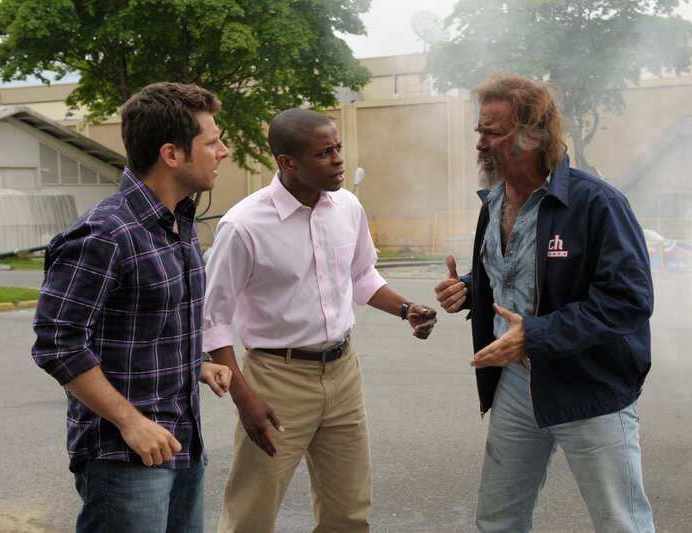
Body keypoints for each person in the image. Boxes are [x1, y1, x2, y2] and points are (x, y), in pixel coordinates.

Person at [434, 71, 655, 532]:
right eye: (480, 131)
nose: (480, 144)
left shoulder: (598, 204)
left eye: (492, 133)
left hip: (589, 389)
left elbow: (627, 301)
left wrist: (532, 335)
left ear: (533, 135)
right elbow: (515, 273)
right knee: (498, 519)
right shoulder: (493, 202)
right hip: (516, 387)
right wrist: (472, 289)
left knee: (621, 522)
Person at [202, 107, 438, 532]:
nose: (338, 160)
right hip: (276, 379)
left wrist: (406, 309)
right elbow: (213, 319)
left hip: (343, 374)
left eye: (338, 148)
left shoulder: (347, 207)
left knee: (348, 512)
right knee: (251, 514)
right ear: (287, 162)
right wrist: (243, 396)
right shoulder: (243, 226)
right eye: (323, 153)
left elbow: (362, 275)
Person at [32, 82, 233, 533]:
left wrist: (195, 364)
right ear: (171, 154)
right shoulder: (105, 233)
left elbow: (144, 322)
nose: (224, 151)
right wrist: (130, 421)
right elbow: (57, 343)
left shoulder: (179, 221)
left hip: (183, 441)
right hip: (124, 455)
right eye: (212, 141)